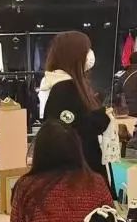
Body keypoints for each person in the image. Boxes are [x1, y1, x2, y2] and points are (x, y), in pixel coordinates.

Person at [38, 31, 111, 187]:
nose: (90, 55)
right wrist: (101, 118)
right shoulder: (63, 88)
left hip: (78, 173)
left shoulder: (63, 85)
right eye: (87, 50)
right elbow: (73, 129)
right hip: (78, 177)